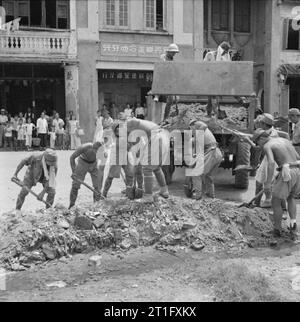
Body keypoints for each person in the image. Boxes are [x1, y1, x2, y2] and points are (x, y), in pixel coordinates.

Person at [253, 129, 300, 237]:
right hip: (297, 169)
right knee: (291, 197)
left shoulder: (267, 145)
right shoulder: (285, 140)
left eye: (257, 142)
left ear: (261, 138)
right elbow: (297, 157)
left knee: (275, 201)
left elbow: (271, 163)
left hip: (287, 172)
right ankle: (293, 224)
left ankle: (277, 230)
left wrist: (268, 183)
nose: (258, 145)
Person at [112, 119, 170, 200]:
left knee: (147, 169)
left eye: (119, 134)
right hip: (163, 137)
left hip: (155, 138)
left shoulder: (129, 124)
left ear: (118, 129)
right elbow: (137, 144)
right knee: (156, 168)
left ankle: (148, 196)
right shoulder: (133, 128)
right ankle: (164, 191)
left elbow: (134, 143)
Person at [187, 120, 223, 200]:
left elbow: (204, 125)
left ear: (193, 125)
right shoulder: (201, 137)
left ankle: (198, 196)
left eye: (190, 129)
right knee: (208, 176)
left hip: (212, 152)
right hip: (217, 153)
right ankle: (210, 196)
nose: (191, 131)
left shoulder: (198, 126)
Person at [102, 123, 135, 199]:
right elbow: (128, 146)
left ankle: (129, 192)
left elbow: (129, 147)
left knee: (130, 174)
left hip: (126, 155)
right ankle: (104, 193)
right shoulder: (116, 138)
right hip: (116, 156)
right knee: (111, 176)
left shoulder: (126, 135)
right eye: (117, 129)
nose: (119, 130)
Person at [69, 142, 103, 209]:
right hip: (82, 163)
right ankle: (71, 205)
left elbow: (102, 167)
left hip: (94, 164)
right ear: (93, 148)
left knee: (98, 187)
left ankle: (96, 206)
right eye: (96, 151)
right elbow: (72, 158)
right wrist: (74, 172)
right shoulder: (84, 147)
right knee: (75, 185)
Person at [156, 44, 180, 122]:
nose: (174, 54)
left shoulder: (172, 59)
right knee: (162, 99)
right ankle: (157, 95)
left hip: (169, 81)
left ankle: (166, 118)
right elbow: (162, 67)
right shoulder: (163, 57)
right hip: (162, 79)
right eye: (173, 52)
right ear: (169, 51)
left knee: (171, 100)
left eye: (175, 53)